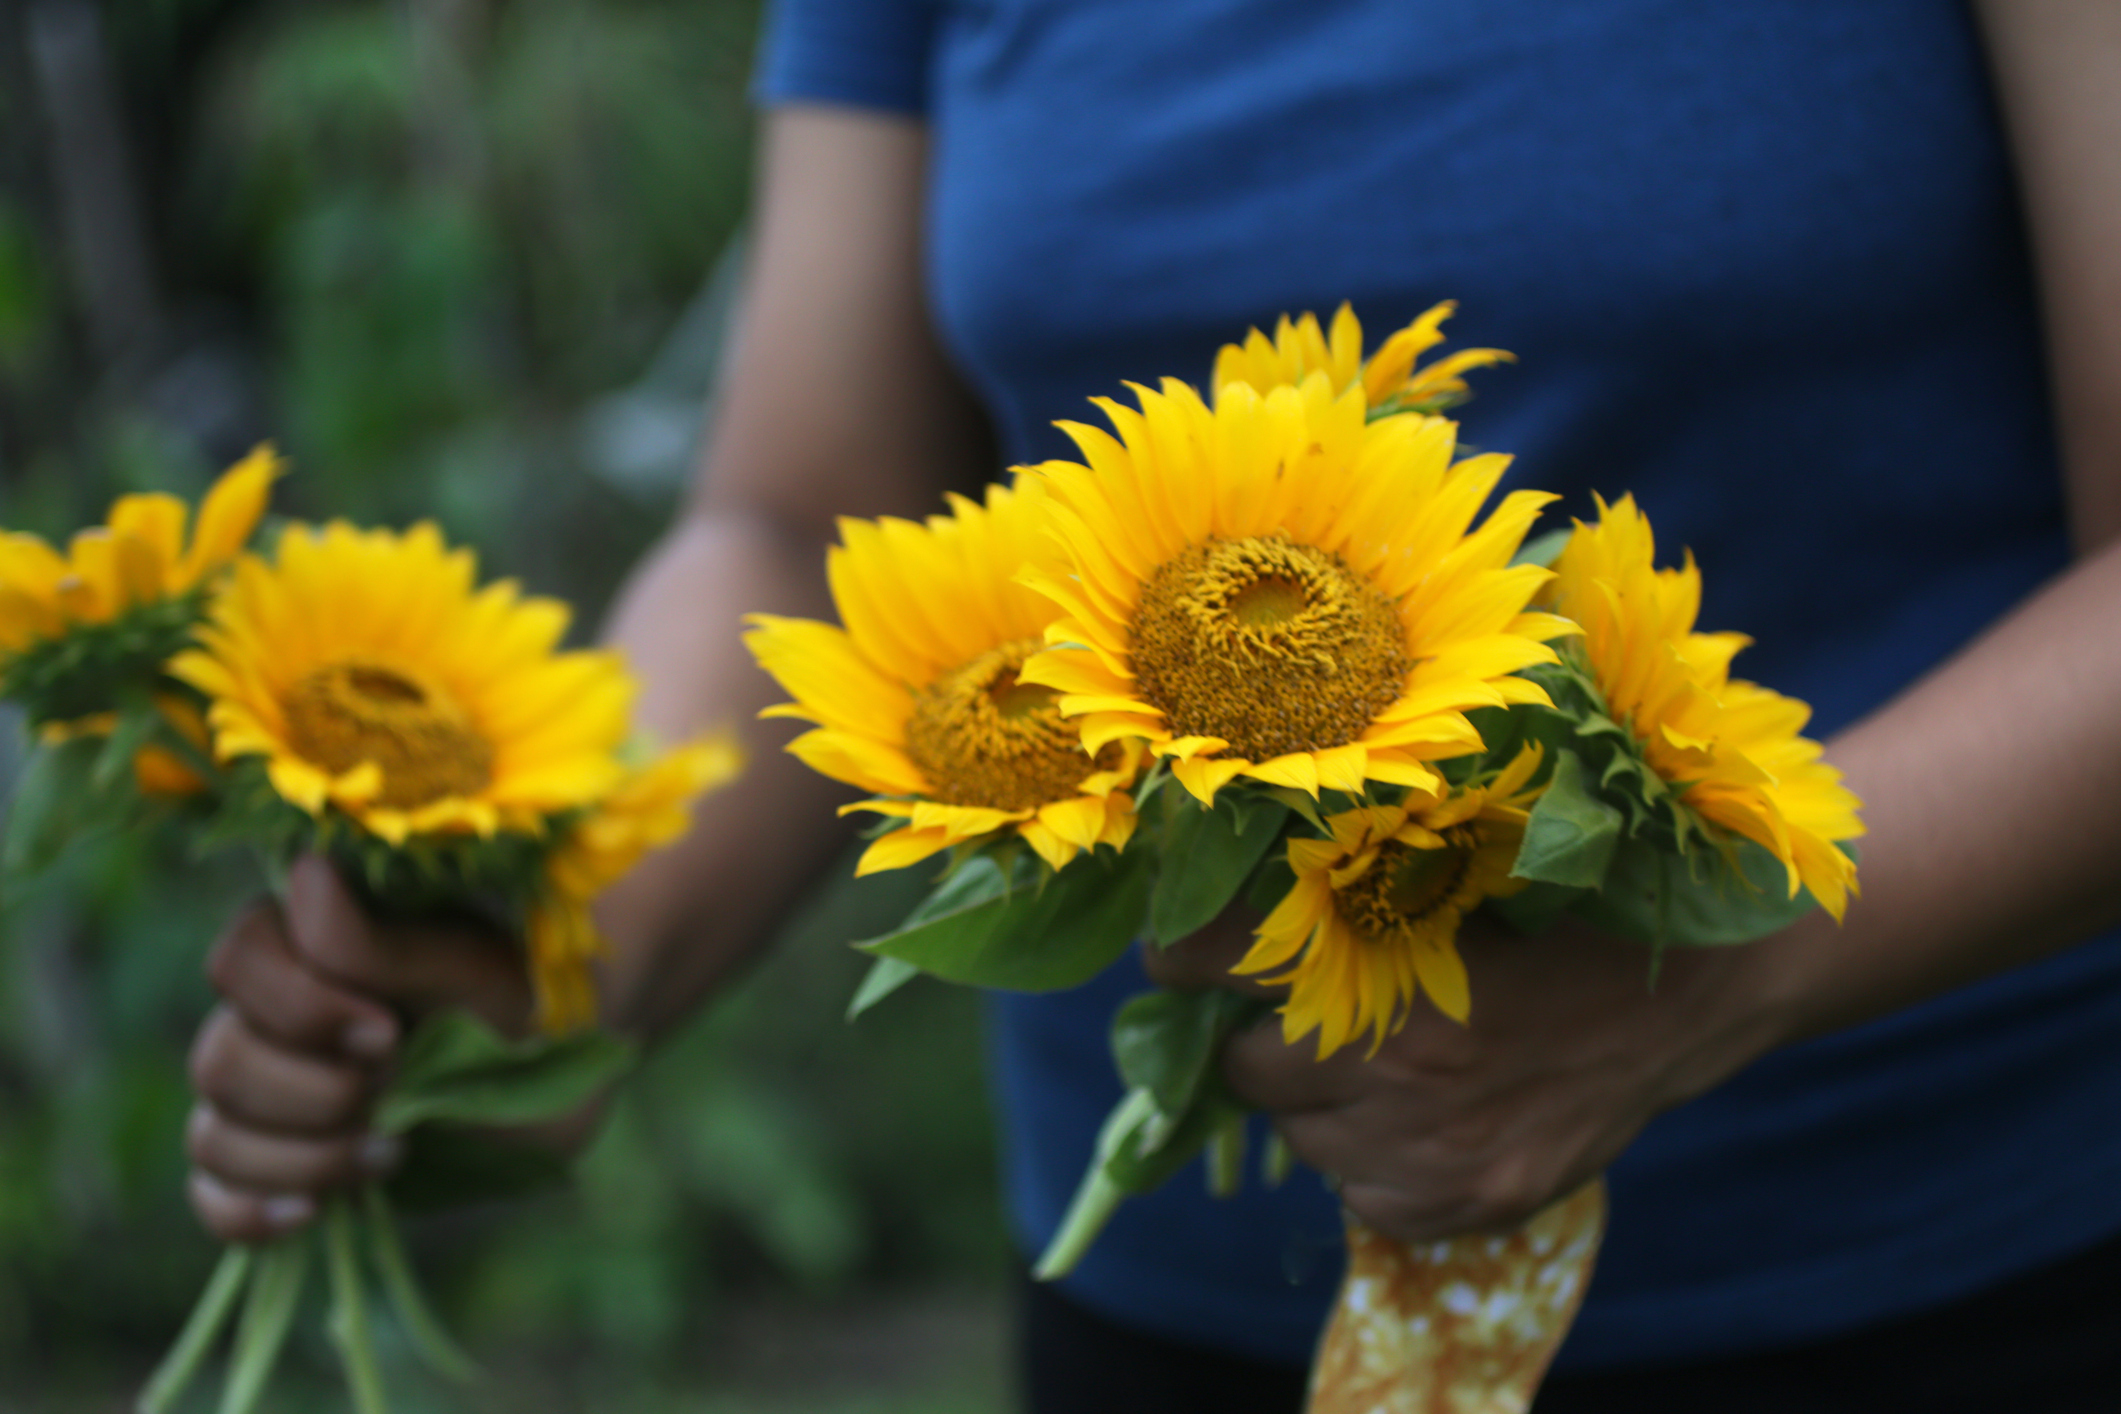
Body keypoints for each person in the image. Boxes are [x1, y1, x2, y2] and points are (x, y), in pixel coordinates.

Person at [181, 2, 2121, 1410]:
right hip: (1181, 1317)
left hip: (1958, 1278)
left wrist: (1709, 971)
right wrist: (576, 940)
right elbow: (801, 522)